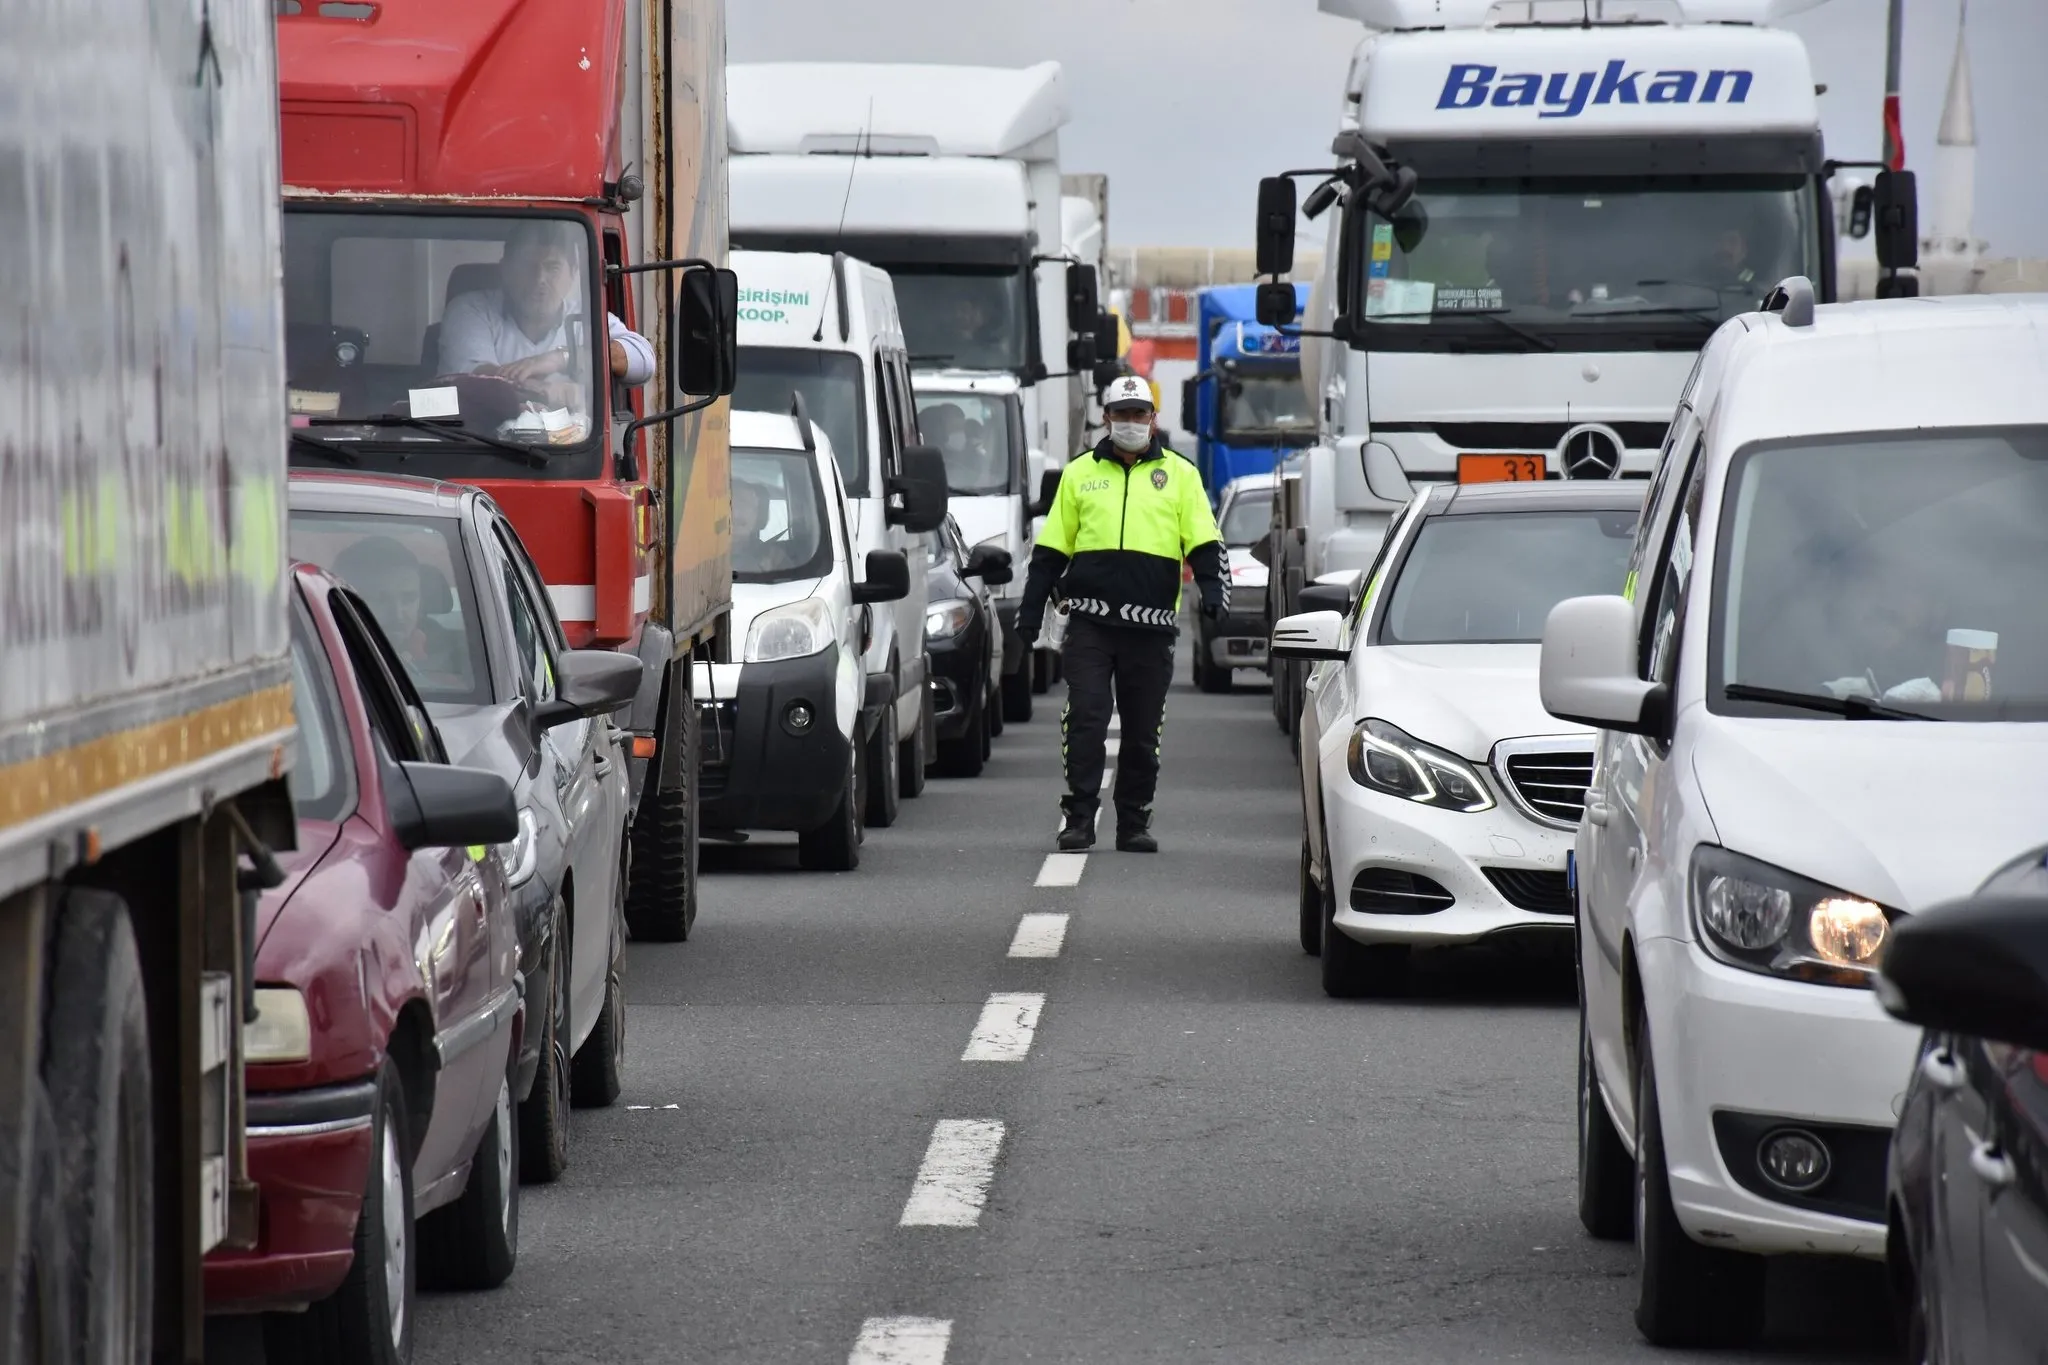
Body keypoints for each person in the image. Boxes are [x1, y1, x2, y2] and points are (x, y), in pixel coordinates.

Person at [1016, 375, 1229, 853]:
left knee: (1141, 731)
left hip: (1151, 629)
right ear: (1106, 418)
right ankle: (1079, 818)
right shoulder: (1078, 474)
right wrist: (1030, 611)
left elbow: (1205, 541)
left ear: (1153, 419)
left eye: (1139, 414)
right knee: (1086, 718)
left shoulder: (1181, 474)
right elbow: (1050, 551)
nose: (1130, 422)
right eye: (1122, 413)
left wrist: (1215, 594)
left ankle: (1133, 821)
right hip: (1090, 623)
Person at [437, 219, 656, 407]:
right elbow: (474, 379)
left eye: (552, 268)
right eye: (527, 266)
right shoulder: (471, 309)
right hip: (481, 440)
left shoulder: (586, 318)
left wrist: (563, 358)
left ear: (572, 274)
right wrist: (549, 391)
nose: (539, 279)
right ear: (505, 269)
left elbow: (643, 359)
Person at [332, 536, 466, 684]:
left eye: (409, 599)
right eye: (380, 600)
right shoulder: (324, 653)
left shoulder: (458, 660)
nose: (398, 614)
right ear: (347, 601)